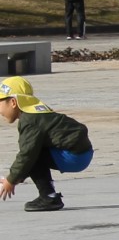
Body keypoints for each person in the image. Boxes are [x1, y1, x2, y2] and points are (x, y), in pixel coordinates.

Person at [0, 76, 92, 212]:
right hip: (84, 152)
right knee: (32, 153)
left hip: (75, 156)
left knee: (31, 155)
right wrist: (19, 176)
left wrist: (11, 179)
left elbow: (27, 155)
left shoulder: (30, 121)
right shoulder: (37, 112)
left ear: (13, 102)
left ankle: (49, 197)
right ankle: (49, 196)